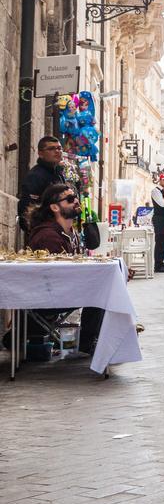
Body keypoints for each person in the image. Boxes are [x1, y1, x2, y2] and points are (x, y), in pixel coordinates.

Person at [25, 184, 105, 354]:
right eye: (69, 199)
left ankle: (97, 338)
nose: (76, 201)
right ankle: (88, 341)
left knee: (106, 284)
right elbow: (55, 276)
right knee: (103, 290)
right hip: (50, 297)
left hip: (63, 290)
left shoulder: (70, 232)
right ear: (54, 207)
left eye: (75, 197)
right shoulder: (48, 236)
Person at [17, 136, 67, 236]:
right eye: (51, 148)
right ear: (41, 154)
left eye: (59, 148)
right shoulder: (36, 176)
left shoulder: (58, 174)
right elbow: (27, 209)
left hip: (57, 230)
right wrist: (36, 231)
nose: (57, 151)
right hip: (43, 233)